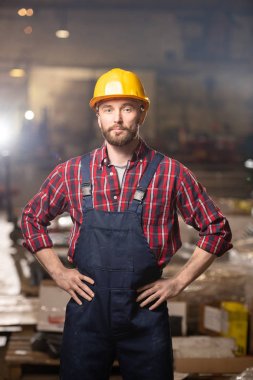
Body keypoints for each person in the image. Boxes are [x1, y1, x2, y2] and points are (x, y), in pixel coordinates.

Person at [21, 68, 233, 380]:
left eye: (127, 108)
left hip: (144, 316)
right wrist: (58, 272)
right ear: (98, 116)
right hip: (87, 314)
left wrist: (178, 282)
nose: (117, 118)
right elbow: (30, 220)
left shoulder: (171, 174)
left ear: (142, 114)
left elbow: (217, 229)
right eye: (108, 109)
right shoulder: (71, 173)